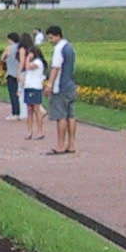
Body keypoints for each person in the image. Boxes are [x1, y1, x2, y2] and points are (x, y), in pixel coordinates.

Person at [46, 24, 77, 155]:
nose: (50, 41)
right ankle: (71, 144)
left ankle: (60, 145)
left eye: (51, 38)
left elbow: (55, 68)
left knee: (61, 117)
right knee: (71, 116)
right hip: (70, 84)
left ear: (58, 36)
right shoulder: (70, 47)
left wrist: (49, 84)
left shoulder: (58, 49)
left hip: (60, 87)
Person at [19, 41, 46, 141]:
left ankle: (40, 131)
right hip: (28, 86)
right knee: (29, 110)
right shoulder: (32, 62)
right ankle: (29, 131)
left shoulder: (38, 62)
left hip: (35, 87)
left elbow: (27, 67)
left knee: (36, 110)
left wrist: (27, 58)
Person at [1, 32, 22, 120]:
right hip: (20, 73)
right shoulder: (21, 48)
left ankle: (15, 113)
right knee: (20, 93)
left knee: (13, 94)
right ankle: (21, 112)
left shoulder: (9, 48)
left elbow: (2, 58)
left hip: (11, 73)